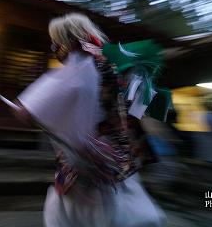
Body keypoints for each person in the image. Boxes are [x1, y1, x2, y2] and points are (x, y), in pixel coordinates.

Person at [13, 13, 166, 227]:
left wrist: (26, 107)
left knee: (87, 213)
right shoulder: (107, 62)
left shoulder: (82, 64)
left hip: (93, 159)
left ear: (69, 41)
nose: (54, 49)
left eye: (56, 43)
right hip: (116, 156)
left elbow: (32, 108)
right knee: (124, 205)